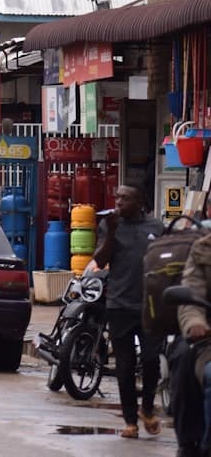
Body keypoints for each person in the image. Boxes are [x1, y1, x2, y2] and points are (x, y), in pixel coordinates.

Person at [91, 184, 164, 439]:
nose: (119, 202)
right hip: (120, 304)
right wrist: (110, 232)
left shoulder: (156, 227)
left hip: (150, 304)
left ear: (140, 201)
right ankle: (130, 421)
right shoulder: (109, 226)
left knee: (151, 359)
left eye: (125, 198)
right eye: (117, 197)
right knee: (124, 364)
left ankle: (147, 407)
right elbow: (99, 259)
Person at [178, 229, 211, 454]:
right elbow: (190, 296)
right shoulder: (203, 249)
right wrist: (195, 323)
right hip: (208, 341)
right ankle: (195, 445)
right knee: (182, 358)